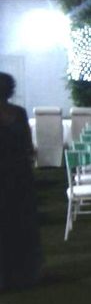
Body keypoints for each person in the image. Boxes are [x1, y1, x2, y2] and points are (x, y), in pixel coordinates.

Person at [0, 72, 42, 290]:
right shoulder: (19, 113)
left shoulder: (19, 113)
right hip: (19, 176)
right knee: (20, 225)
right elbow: (28, 146)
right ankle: (24, 273)